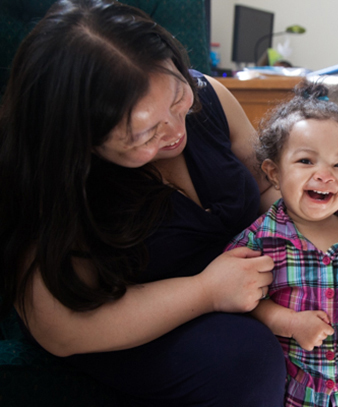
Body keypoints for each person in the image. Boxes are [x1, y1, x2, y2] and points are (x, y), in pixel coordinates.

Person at [0, 0, 286, 405]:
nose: (174, 132)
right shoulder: (49, 174)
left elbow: (266, 183)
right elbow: (60, 328)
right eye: (144, 133)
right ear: (82, 139)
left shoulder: (208, 96)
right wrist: (205, 291)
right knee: (244, 359)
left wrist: (316, 233)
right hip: (128, 321)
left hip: (240, 291)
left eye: (176, 99)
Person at [225, 81, 338, 407]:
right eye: (306, 161)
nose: (325, 175)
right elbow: (239, 300)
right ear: (274, 173)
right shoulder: (260, 240)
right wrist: (288, 322)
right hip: (292, 387)